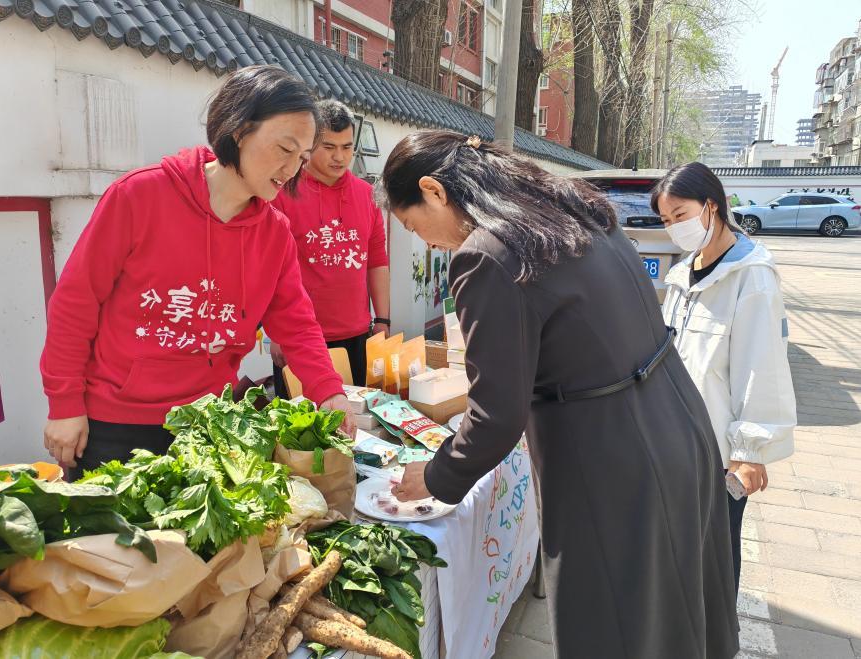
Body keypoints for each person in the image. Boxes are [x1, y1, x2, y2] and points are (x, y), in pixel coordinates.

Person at [386, 131, 739, 658]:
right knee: (677, 605)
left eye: (415, 227)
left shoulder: (486, 254)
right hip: (677, 418)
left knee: (616, 621)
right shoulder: (574, 209)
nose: (428, 244)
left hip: (611, 454)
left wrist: (438, 476)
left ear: (435, 191)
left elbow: (496, 415)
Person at [41, 66, 356, 478]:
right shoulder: (140, 196)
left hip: (208, 422)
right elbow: (74, 303)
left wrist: (328, 391)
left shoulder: (274, 232)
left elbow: (296, 323)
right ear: (239, 130)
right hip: (115, 423)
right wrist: (64, 405)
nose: (293, 169)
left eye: (301, 157)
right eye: (284, 148)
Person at [653, 162, 796, 597]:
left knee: (715, 559)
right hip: (675, 445)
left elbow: (762, 367)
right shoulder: (682, 274)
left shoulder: (751, 277)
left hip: (719, 453)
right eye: (665, 220)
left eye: (680, 215)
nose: (674, 227)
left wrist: (750, 452)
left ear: (711, 206)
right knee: (677, 553)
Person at [270, 100, 390, 391]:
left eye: (347, 147)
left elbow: (377, 261)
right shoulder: (283, 194)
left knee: (357, 425)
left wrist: (383, 320)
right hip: (301, 337)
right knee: (301, 429)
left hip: (359, 334)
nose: (340, 157)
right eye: (329, 147)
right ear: (310, 145)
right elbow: (269, 268)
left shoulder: (366, 195)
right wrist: (274, 335)